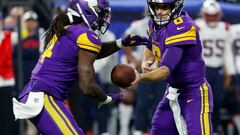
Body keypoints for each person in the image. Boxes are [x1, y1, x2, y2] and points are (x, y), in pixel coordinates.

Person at [12, 0, 149, 134]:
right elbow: (87, 86)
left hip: (39, 93)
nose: (103, 18)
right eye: (101, 13)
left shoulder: (69, 29)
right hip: (45, 97)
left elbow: (91, 53)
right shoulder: (85, 35)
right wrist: (105, 98)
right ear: (88, 11)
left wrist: (120, 43)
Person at [132, 0, 213, 134]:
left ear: (175, 7)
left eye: (164, 7)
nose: (159, 11)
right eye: (156, 7)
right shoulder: (154, 23)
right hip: (172, 91)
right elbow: (150, 44)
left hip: (194, 91)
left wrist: (139, 76)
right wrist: (145, 61)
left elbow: (164, 71)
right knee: (159, 129)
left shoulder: (183, 26)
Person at [195, 0, 236, 133]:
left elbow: (227, 53)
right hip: (202, 70)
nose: (212, 18)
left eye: (214, 15)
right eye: (209, 15)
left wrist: (229, 73)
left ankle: (215, 129)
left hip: (218, 70)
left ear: (219, 15)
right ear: (203, 14)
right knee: (200, 103)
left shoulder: (225, 28)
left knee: (217, 102)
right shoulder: (196, 27)